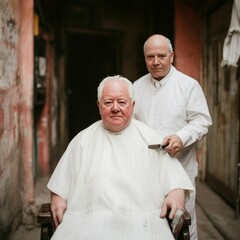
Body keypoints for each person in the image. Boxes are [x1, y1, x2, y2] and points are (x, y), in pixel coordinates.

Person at [47, 75, 194, 240]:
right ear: (99, 105)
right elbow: (61, 183)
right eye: (108, 102)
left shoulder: (151, 138)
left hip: (143, 221)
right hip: (87, 218)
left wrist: (175, 195)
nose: (115, 108)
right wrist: (58, 198)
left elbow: (175, 180)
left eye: (122, 102)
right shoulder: (82, 140)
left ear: (133, 105)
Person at [133, 34, 212, 240]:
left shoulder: (188, 86)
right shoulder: (135, 87)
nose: (156, 61)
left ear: (172, 56)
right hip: (145, 171)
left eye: (161, 55)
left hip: (180, 169)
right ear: (145, 58)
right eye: (150, 57)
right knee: (147, 221)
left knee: (182, 223)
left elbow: (202, 121)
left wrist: (181, 137)